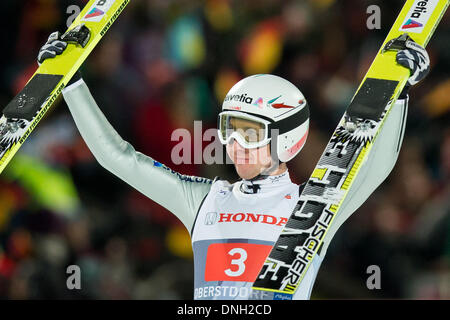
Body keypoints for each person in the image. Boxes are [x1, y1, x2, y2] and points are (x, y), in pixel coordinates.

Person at [37, 31, 430, 300]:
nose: (236, 145)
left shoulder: (310, 206)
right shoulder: (203, 199)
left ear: (287, 140)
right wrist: (71, 84)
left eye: (251, 134)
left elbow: (375, 167)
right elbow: (117, 158)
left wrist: (398, 90)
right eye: (230, 130)